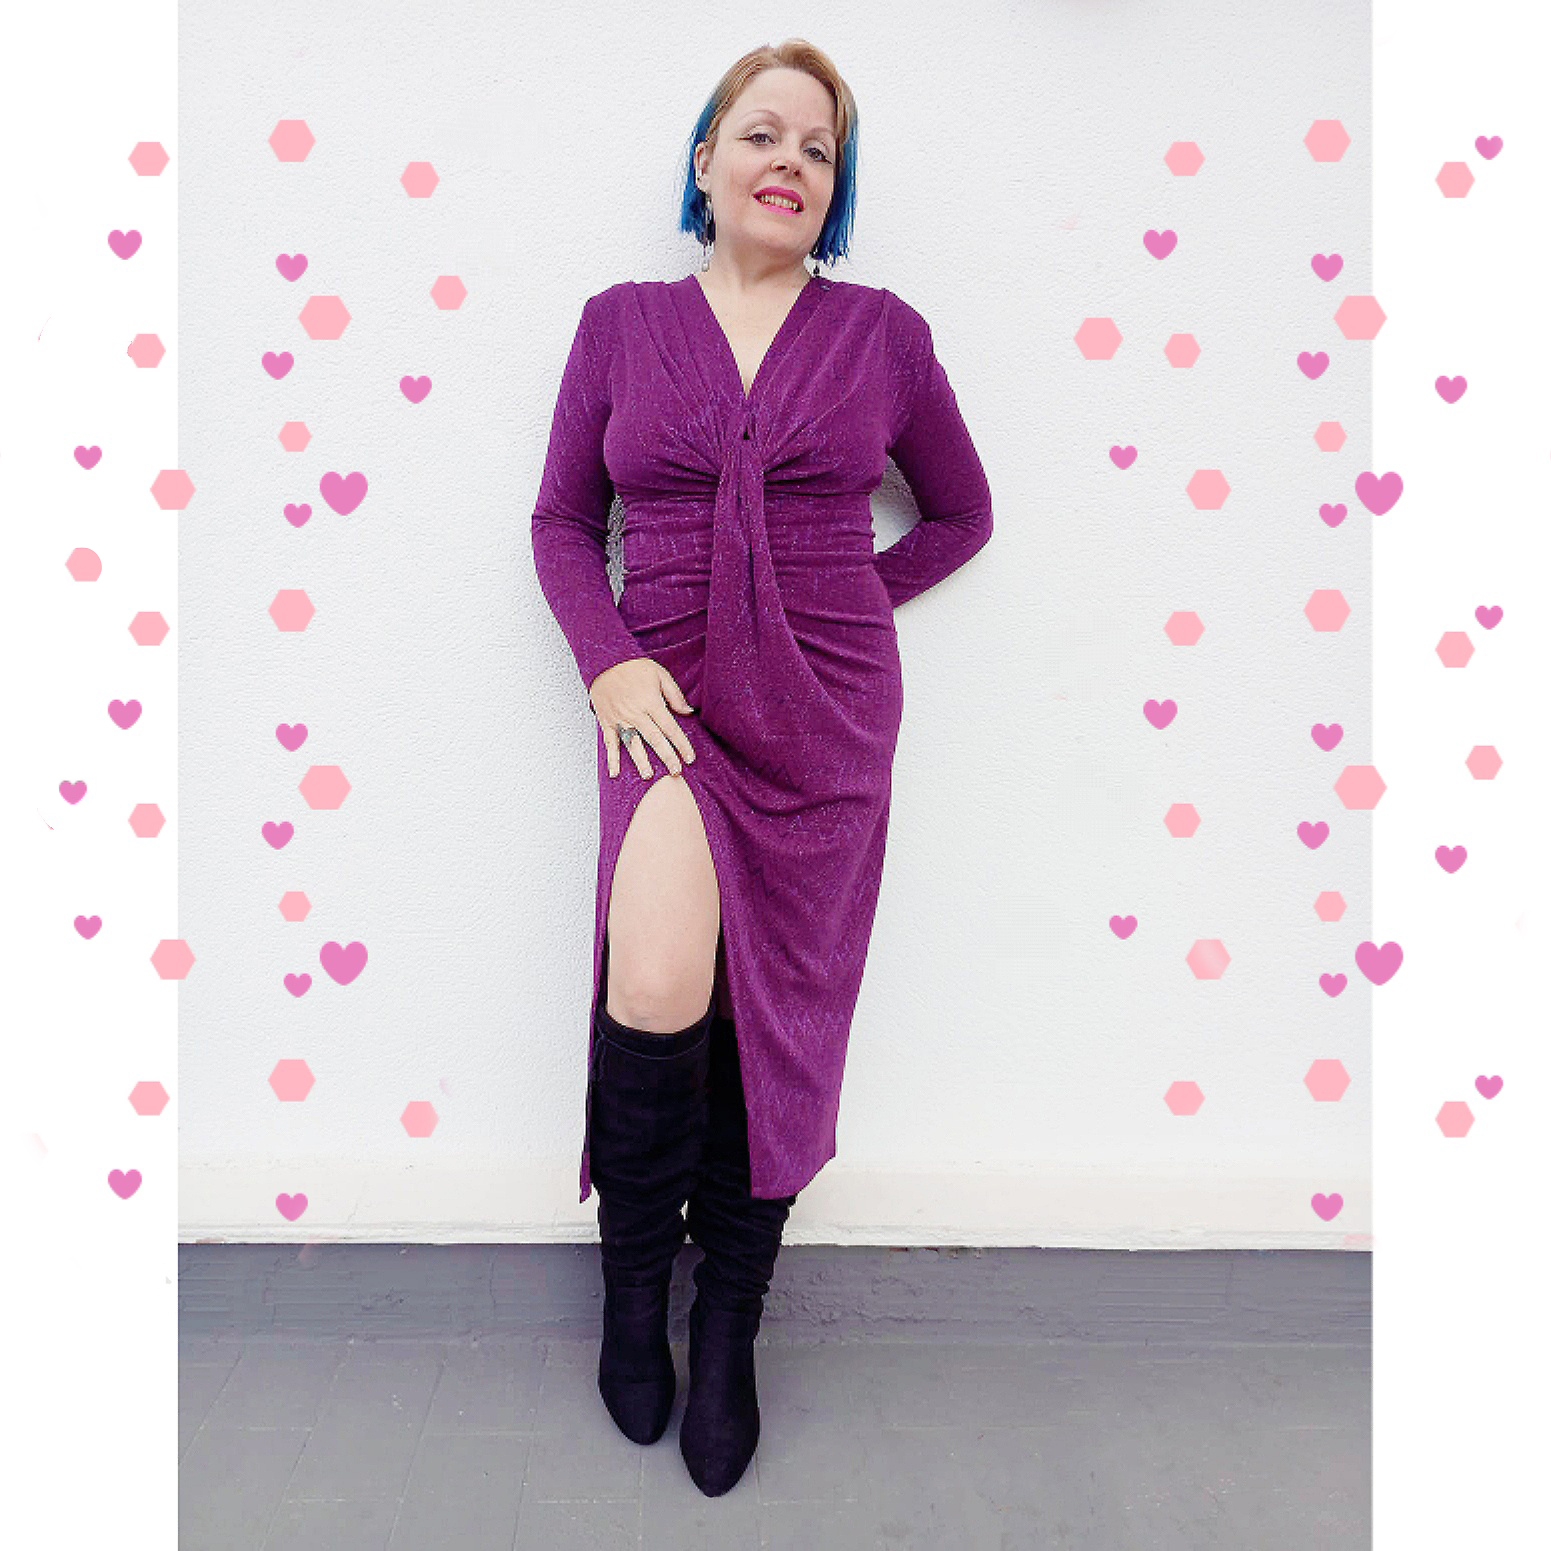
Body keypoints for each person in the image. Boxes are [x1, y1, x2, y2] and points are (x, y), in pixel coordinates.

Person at [530, 38, 994, 1498]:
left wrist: (837, 610)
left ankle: (727, 1322)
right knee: (657, 987)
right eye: (762, 133)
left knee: (779, 1021)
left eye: (818, 148)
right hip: (662, 712)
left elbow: (960, 514)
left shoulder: (885, 337)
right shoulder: (619, 324)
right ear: (706, 159)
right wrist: (607, 658)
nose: (788, 161)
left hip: (824, 725)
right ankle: (633, 1300)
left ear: (833, 189)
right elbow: (560, 522)